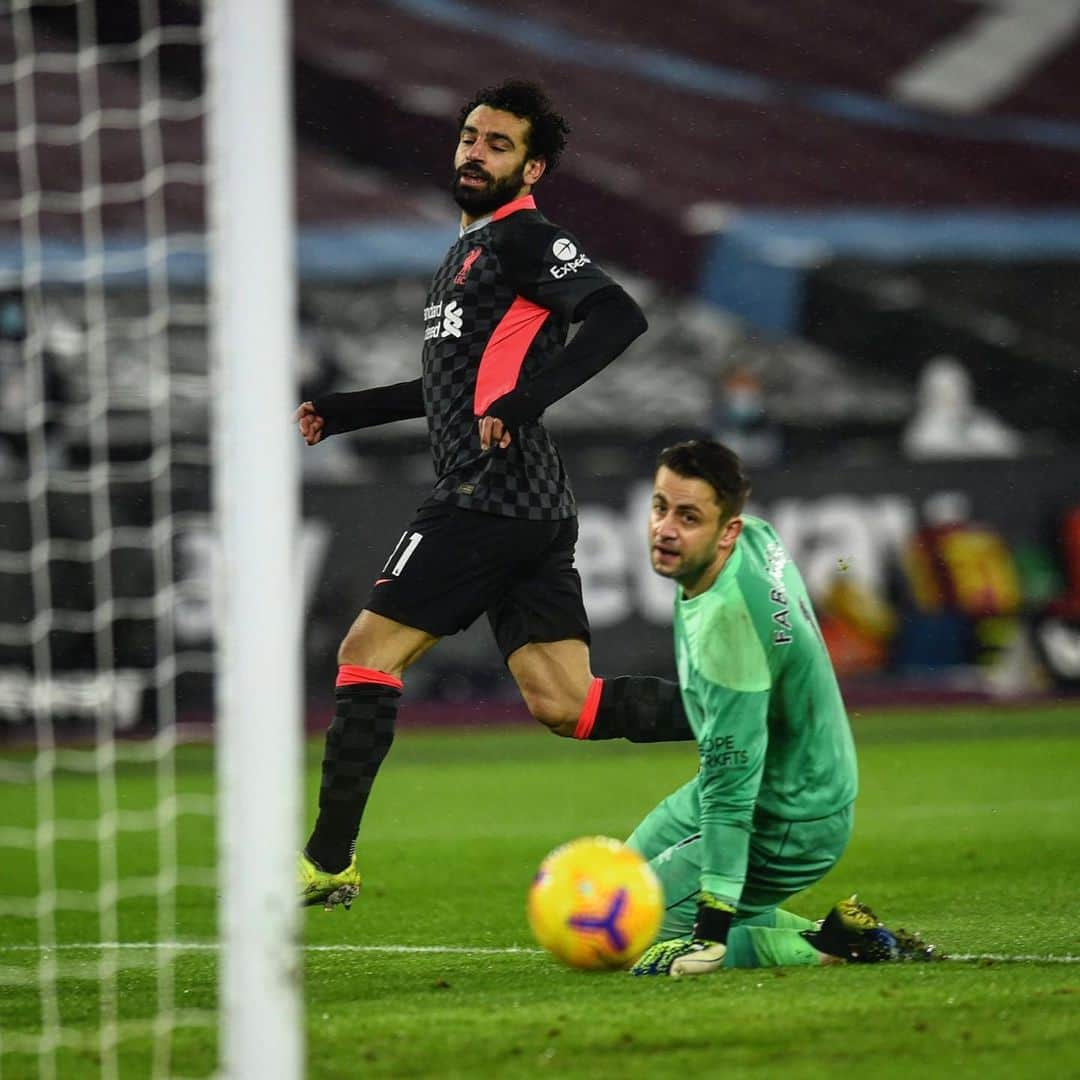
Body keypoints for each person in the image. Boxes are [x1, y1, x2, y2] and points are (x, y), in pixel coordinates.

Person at [296, 80, 693, 910]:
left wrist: (530, 399)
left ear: (532, 166)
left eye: (497, 143)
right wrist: (347, 412)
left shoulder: (523, 238)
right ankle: (750, 711)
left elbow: (618, 316)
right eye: (470, 137)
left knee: (366, 655)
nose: (474, 152)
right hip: (530, 505)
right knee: (568, 705)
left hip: (489, 492)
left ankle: (326, 863)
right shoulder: (465, 253)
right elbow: (455, 383)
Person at [617, 440, 934, 974]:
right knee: (613, 887)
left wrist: (712, 932)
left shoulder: (730, 632)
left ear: (727, 532)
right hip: (795, 776)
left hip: (789, 815)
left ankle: (834, 949)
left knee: (623, 938)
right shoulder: (756, 537)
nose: (665, 528)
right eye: (660, 506)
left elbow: (730, 795)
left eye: (688, 517)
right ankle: (840, 930)